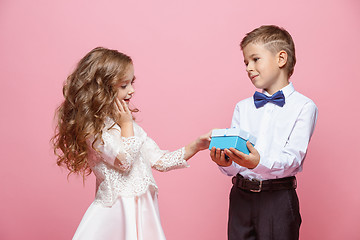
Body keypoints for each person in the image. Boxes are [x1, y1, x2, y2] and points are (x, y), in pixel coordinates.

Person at [52, 47, 211, 240]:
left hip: (142, 211)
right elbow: (123, 161)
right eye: (124, 85)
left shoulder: (131, 128)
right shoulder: (95, 130)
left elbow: (160, 161)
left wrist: (196, 146)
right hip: (118, 212)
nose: (132, 90)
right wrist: (126, 124)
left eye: (131, 83)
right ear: (102, 90)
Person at [210, 25, 318, 240]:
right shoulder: (243, 107)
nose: (249, 67)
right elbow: (236, 160)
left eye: (255, 59)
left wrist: (258, 163)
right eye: (245, 62)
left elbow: (293, 158)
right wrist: (226, 163)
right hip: (240, 197)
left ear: (281, 59)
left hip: (278, 199)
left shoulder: (304, 106)